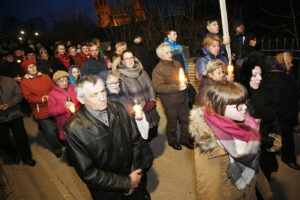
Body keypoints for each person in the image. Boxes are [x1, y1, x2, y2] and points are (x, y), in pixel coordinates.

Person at [64, 75, 149, 200]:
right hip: (109, 193)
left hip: (135, 179)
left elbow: (135, 141)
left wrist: (134, 174)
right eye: (94, 94)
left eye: (103, 91)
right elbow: (88, 173)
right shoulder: (74, 129)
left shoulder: (118, 108)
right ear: (81, 99)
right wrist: (125, 183)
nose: (102, 98)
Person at [189, 81, 260, 200]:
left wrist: (264, 189)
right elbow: (208, 188)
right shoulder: (210, 144)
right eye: (238, 105)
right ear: (221, 107)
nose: (245, 107)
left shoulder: (248, 125)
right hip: (231, 194)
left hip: (249, 192)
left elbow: (252, 161)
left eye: (244, 102)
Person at [152, 43, 193, 150]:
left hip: (183, 98)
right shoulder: (158, 70)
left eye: (170, 51)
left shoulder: (176, 63)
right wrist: (177, 87)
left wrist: (186, 80)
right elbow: (158, 87)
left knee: (186, 120)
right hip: (170, 102)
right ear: (160, 56)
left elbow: (184, 75)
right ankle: (172, 141)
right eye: (167, 52)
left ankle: (184, 138)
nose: (170, 54)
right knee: (172, 124)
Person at [20, 60, 63, 157]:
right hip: (40, 110)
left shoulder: (45, 76)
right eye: (30, 67)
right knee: (50, 131)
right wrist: (43, 99)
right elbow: (28, 97)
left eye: (33, 66)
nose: (33, 68)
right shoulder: (24, 82)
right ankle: (57, 148)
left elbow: (53, 88)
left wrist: (54, 96)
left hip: (53, 106)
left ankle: (62, 140)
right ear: (26, 70)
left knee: (59, 126)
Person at [118, 50, 160, 141]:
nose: (129, 60)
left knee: (154, 127)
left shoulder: (142, 72)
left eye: (131, 57)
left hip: (150, 106)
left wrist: (152, 100)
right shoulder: (122, 77)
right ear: (122, 61)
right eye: (126, 58)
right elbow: (125, 98)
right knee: (144, 133)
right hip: (139, 110)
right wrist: (137, 109)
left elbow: (150, 87)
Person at [268, 52, 300, 170]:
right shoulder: (277, 76)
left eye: (291, 62)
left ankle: (279, 152)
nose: (291, 65)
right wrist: (285, 115)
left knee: (284, 136)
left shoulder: (284, 73)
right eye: (288, 62)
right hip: (284, 114)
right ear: (281, 63)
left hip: (289, 111)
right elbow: (276, 101)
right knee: (287, 137)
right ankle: (288, 159)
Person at [0, 75, 36, 166]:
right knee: (3, 141)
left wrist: (9, 104)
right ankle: (14, 152)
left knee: (21, 138)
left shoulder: (9, 80)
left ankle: (27, 158)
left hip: (15, 114)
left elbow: (19, 94)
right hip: (1, 119)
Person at [48, 71, 79, 141]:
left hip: (78, 120)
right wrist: (63, 107)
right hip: (65, 123)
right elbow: (50, 112)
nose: (65, 83)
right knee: (70, 142)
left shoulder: (74, 88)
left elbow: (81, 100)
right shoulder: (52, 94)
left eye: (66, 80)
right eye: (61, 81)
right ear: (56, 82)